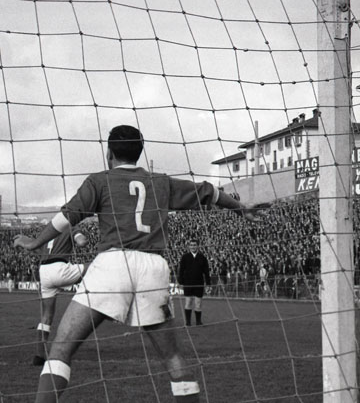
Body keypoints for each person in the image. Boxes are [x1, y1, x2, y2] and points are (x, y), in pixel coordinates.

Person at [14, 125, 262, 403]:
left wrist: (35, 243)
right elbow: (210, 192)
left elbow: (66, 218)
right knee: (173, 358)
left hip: (112, 263)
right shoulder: (161, 182)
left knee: (61, 349)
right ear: (140, 152)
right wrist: (241, 209)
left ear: (108, 153)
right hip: (153, 267)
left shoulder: (99, 181)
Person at [32, 227, 89, 366]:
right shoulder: (71, 227)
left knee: (47, 315)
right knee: (96, 265)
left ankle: (39, 356)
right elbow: (81, 242)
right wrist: (83, 238)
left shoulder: (49, 230)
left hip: (44, 271)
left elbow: (36, 250)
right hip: (59, 269)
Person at [177, 239, 210, 326]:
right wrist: (180, 282)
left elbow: (206, 272)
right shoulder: (185, 257)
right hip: (188, 283)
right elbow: (181, 270)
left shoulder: (202, 258)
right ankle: (188, 322)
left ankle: (198, 322)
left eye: (194, 245)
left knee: (198, 304)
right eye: (191, 245)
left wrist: (208, 283)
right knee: (188, 302)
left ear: (197, 246)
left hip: (199, 283)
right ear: (189, 246)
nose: (193, 246)